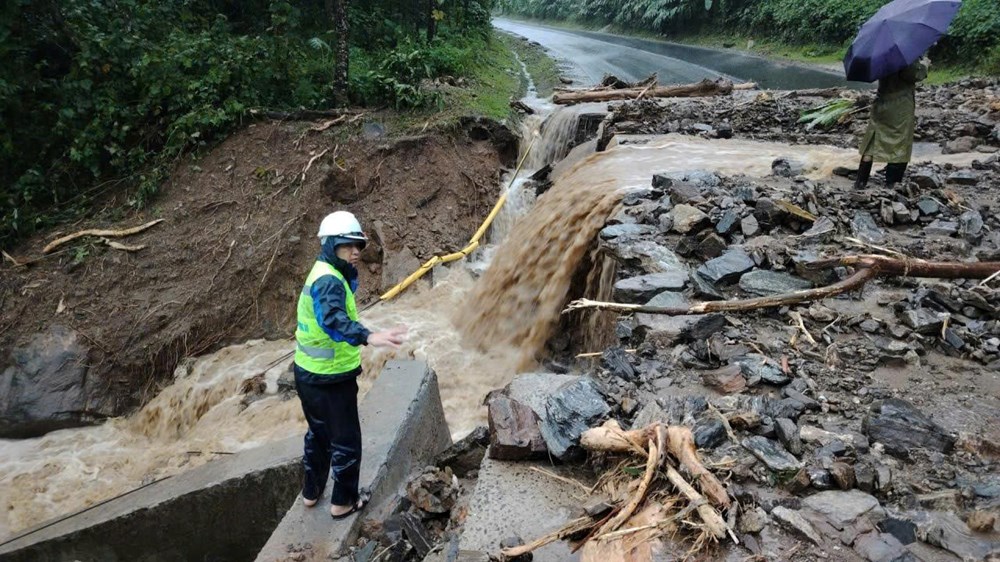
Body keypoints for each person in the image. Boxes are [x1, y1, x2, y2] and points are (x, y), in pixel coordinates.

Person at [294, 210, 407, 519]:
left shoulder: (321, 271)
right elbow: (332, 320)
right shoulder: (330, 281)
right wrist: (368, 336)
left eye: (358, 245)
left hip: (306, 372)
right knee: (346, 442)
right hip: (330, 379)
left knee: (318, 435)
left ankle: (311, 492)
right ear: (331, 245)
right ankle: (343, 502)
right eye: (348, 245)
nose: (356, 252)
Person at [854, 56, 930, 190]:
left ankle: (861, 181)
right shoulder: (905, 57)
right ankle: (892, 182)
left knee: (873, 138)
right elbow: (914, 74)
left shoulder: (881, 56)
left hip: (881, 101)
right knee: (900, 140)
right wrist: (925, 64)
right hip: (900, 105)